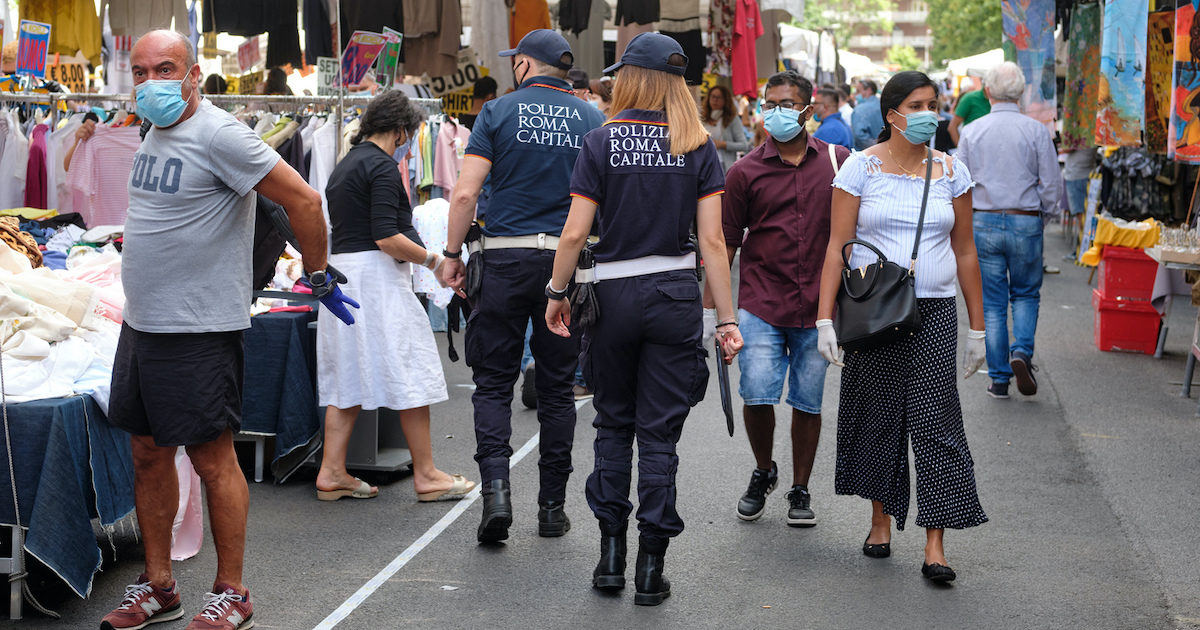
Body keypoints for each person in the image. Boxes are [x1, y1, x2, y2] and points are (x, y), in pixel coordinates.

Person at [101, 30, 353, 630]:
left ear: (192, 75)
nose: (150, 82)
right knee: (145, 452)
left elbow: (305, 201)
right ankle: (159, 585)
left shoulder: (220, 134)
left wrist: (316, 277)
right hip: (143, 324)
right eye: (139, 72)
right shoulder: (153, 130)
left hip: (199, 329)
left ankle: (232, 592)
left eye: (165, 69)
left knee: (212, 459)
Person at [544, 32, 743, 606]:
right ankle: (652, 568)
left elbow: (576, 231)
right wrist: (726, 320)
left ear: (630, 77)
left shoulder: (601, 140)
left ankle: (610, 558)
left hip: (612, 295)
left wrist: (557, 292)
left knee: (613, 424)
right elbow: (714, 242)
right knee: (659, 433)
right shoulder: (698, 144)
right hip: (675, 295)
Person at [815, 70, 988, 584]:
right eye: (916, 105)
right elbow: (836, 247)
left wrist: (977, 329)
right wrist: (825, 317)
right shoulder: (860, 170)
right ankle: (879, 519)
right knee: (878, 415)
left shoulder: (952, 170)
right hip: (875, 310)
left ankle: (936, 543)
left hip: (934, 311)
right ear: (891, 114)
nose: (928, 113)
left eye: (933, 103)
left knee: (937, 423)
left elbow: (966, 251)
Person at [441, 29, 605, 544]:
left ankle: (496, 494)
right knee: (557, 389)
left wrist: (450, 255)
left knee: (492, 382)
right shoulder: (592, 118)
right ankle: (552, 508)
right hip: (566, 260)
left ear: (525, 66)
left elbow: (466, 193)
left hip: (504, 258)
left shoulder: (497, 112)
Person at [316, 90, 476, 503]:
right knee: (410, 369)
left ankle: (332, 471)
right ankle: (426, 474)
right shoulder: (382, 168)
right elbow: (388, 236)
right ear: (401, 130)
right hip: (376, 281)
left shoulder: (346, 165)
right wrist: (435, 262)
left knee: (347, 376)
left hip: (345, 275)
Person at [721, 71, 849, 528]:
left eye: (787, 104)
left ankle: (800, 486)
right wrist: (719, 316)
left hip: (820, 306)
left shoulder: (839, 162)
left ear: (808, 110)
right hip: (761, 302)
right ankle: (763, 470)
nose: (777, 112)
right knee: (756, 392)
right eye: (770, 104)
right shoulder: (744, 172)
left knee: (808, 401)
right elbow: (725, 245)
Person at [956, 62, 1058, 400]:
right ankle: (1021, 353)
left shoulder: (972, 130)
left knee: (993, 303)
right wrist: (1041, 217)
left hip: (984, 220)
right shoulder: (1036, 130)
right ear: (1022, 93)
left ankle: (999, 379)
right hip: (1024, 217)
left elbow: (961, 183)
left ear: (987, 92)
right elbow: (1051, 184)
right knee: (1026, 294)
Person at [702, 84, 750, 171]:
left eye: (719, 97)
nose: (715, 100)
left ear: (725, 100)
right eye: (713, 96)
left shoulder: (732, 119)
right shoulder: (702, 118)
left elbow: (744, 145)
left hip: (723, 167)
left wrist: (723, 144)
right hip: (704, 164)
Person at [851, 78, 882, 150]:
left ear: (869, 90)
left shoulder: (859, 110)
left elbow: (859, 136)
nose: (856, 95)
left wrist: (875, 147)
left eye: (858, 91)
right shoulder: (883, 105)